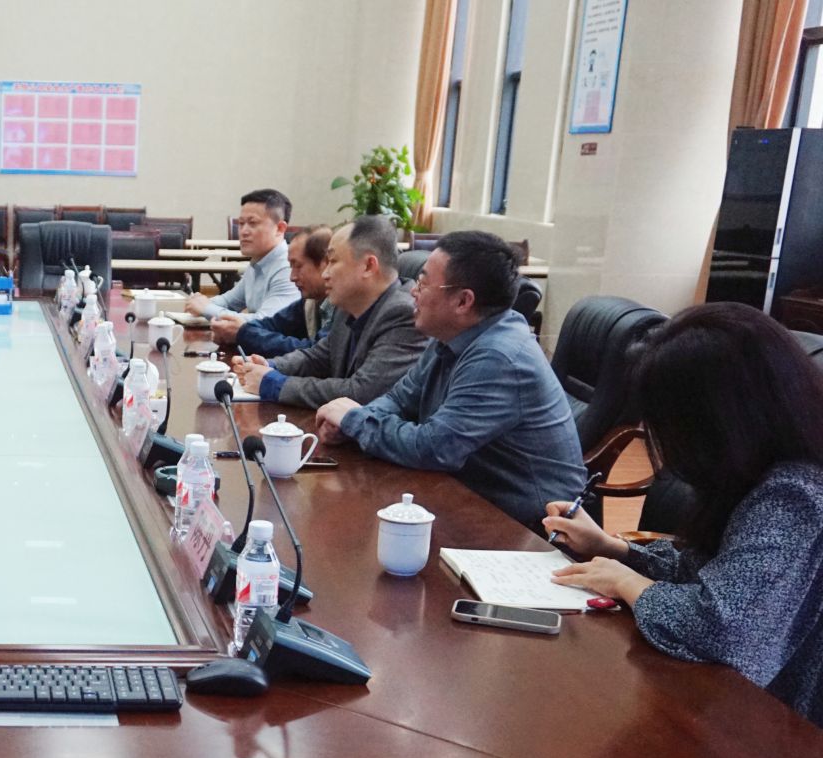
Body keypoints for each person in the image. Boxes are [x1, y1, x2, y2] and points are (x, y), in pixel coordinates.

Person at [546, 303, 823, 725]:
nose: (656, 437)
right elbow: (708, 575)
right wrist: (613, 548)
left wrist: (627, 581)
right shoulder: (755, 472)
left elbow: (721, 626)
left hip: (783, 733)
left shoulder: (792, 495)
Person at [314, 229, 585, 527]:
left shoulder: (498, 357)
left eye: (422, 283)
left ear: (463, 301)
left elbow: (435, 448)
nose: (413, 292)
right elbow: (400, 399)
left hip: (528, 524)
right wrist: (355, 423)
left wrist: (355, 421)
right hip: (468, 493)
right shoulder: (451, 336)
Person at [233, 216, 426, 407]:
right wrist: (271, 366)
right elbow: (319, 357)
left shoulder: (405, 314)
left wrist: (272, 383)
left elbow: (361, 393)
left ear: (368, 266)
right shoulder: (350, 305)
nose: (325, 273)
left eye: (332, 261)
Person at [185, 188, 298, 343]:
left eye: (253, 223)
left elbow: (265, 322)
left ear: (280, 228)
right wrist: (199, 303)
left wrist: (207, 308)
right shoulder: (258, 261)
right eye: (241, 223)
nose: (243, 231)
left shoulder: (289, 267)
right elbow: (229, 301)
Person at [233, 224, 335, 357]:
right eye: (291, 267)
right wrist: (244, 331)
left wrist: (242, 332)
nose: (292, 277)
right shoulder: (309, 302)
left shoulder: (345, 307)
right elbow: (266, 325)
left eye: (298, 266)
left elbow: (316, 353)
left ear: (325, 263)